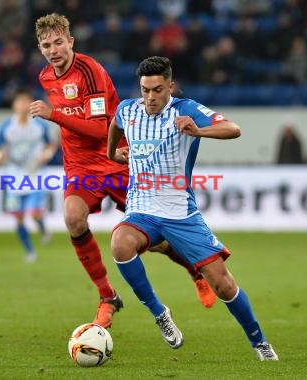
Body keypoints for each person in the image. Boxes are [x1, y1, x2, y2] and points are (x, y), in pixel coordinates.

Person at [29, 13, 216, 329]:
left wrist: (54, 115)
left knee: (155, 239)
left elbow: (102, 129)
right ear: (40, 48)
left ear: (70, 41)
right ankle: (108, 296)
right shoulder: (46, 77)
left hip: (116, 158)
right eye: (46, 45)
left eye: (59, 42)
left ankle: (195, 270)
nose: (53, 50)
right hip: (79, 165)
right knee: (73, 219)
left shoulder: (90, 72)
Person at [107, 56, 278, 361]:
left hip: (180, 214)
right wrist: (113, 154)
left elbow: (233, 129)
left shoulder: (186, 109)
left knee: (223, 285)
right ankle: (160, 314)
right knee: (120, 243)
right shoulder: (127, 109)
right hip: (141, 211)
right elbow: (115, 125)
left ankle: (259, 342)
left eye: (157, 90)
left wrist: (198, 132)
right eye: (145, 90)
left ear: (169, 87)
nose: (150, 97)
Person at [0, 88, 57, 263]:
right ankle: (30, 251)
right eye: (20, 102)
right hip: (14, 176)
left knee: (34, 213)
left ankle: (41, 228)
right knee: (18, 217)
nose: (23, 106)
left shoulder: (40, 125)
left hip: (35, 174)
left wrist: (47, 154)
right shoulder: (6, 126)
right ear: (14, 105)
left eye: (27, 102)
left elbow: (51, 144)